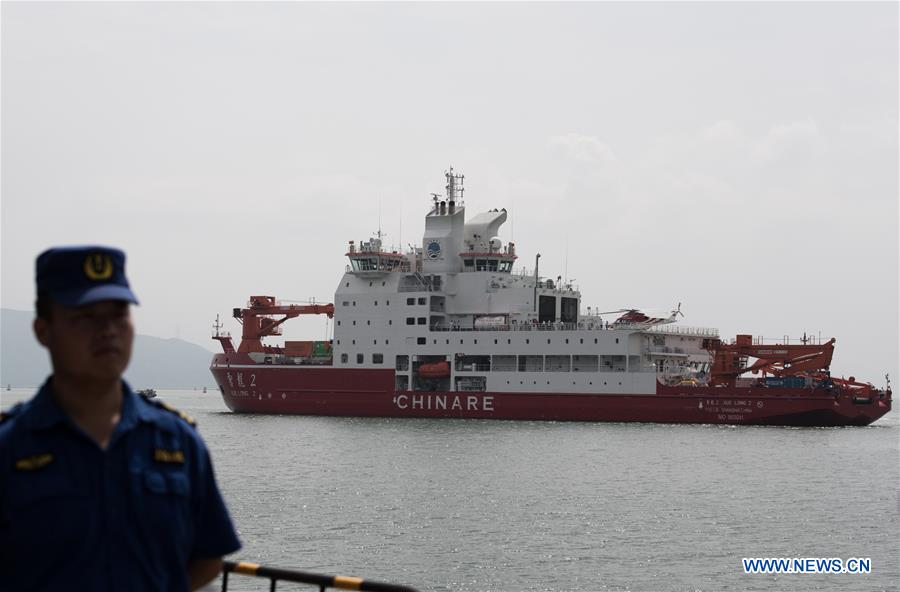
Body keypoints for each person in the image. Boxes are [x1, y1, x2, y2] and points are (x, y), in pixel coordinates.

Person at [0, 246, 241, 591]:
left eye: (118, 315)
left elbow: (209, 555)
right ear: (43, 331)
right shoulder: (10, 448)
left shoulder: (178, 442)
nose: (108, 330)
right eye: (85, 317)